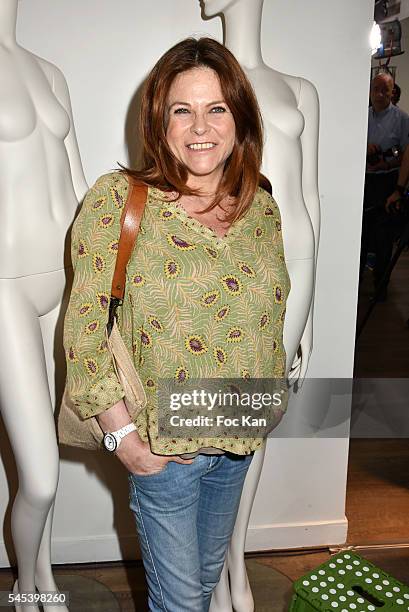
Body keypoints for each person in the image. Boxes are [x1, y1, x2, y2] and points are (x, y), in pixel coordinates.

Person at [63, 37, 290, 612]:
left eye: (217, 108)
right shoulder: (120, 201)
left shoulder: (260, 206)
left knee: (206, 580)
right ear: (158, 123)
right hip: (163, 451)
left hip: (235, 441)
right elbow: (85, 330)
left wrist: (267, 402)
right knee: (181, 603)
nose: (200, 128)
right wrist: (124, 440)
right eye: (181, 111)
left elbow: (271, 317)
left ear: (240, 118)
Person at [200, 2, 320, 610]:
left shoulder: (300, 88)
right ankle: (229, 574)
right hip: (247, 265)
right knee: (228, 418)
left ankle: (233, 569)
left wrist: (313, 306)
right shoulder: (209, 88)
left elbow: (312, 195)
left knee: (256, 422)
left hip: (299, 263)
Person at [0, 1, 87, 610]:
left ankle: (44, 582)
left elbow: (80, 185)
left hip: (67, 275)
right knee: (40, 475)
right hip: (3, 281)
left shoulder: (50, 71)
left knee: (53, 451)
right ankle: (26, 585)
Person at [360, 71, 409, 299]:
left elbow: (406, 155)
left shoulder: (402, 120)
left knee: (383, 238)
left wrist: (386, 163)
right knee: (361, 234)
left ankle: (381, 287)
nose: (379, 94)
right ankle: (355, 283)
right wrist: (364, 148)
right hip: (363, 181)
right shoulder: (360, 117)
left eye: (385, 89)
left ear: (393, 92)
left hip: (387, 181)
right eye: (375, 89)